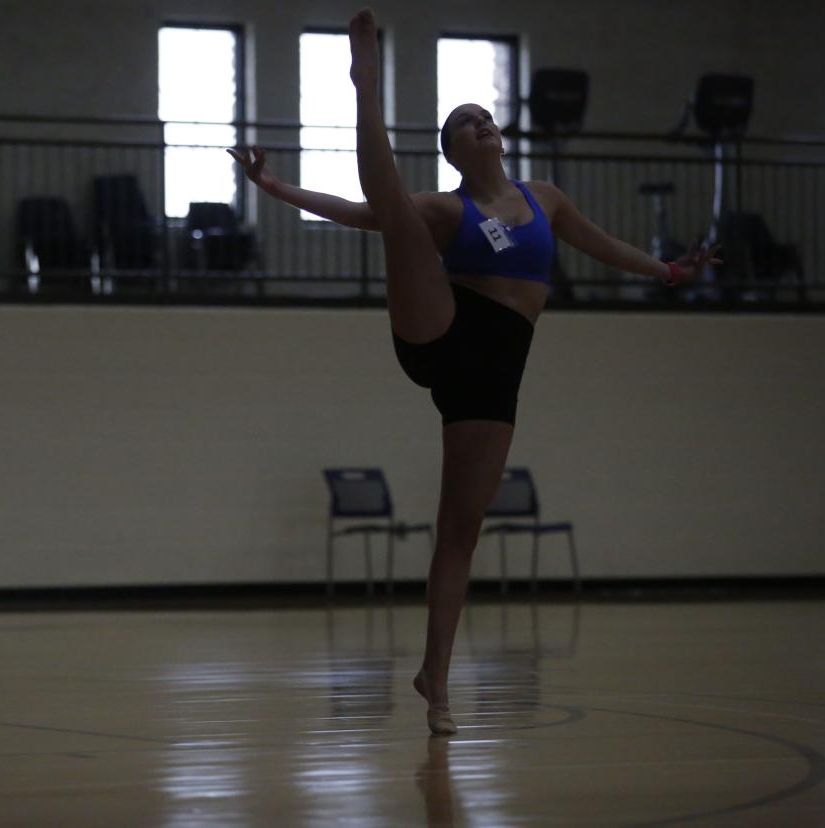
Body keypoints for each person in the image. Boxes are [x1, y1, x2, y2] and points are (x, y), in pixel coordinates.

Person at [230, 8, 720, 736]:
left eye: (488, 117)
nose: (483, 124)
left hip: (494, 375)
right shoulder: (443, 208)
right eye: (467, 121)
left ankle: (437, 678)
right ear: (453, 151)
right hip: (441, 332)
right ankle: (365, 84)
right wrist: (280, 193)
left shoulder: (544, 198)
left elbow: (602, 244)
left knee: (461, 529)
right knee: (396, 215)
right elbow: (361, 211)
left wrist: (669, 270)